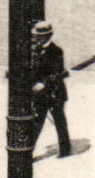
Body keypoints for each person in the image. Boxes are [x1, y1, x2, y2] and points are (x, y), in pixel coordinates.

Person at [27, 21, 73, 159]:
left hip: (54, 93)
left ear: (48, 36)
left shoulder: (56, 51)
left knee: (59, 121)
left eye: (40, 36)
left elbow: (56, 73)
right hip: (40, 95)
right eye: (36, 36)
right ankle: (27, 153)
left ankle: (65, 150)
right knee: (37, 123)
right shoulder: (35, 50)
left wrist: (43, 84)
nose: (36, 38)